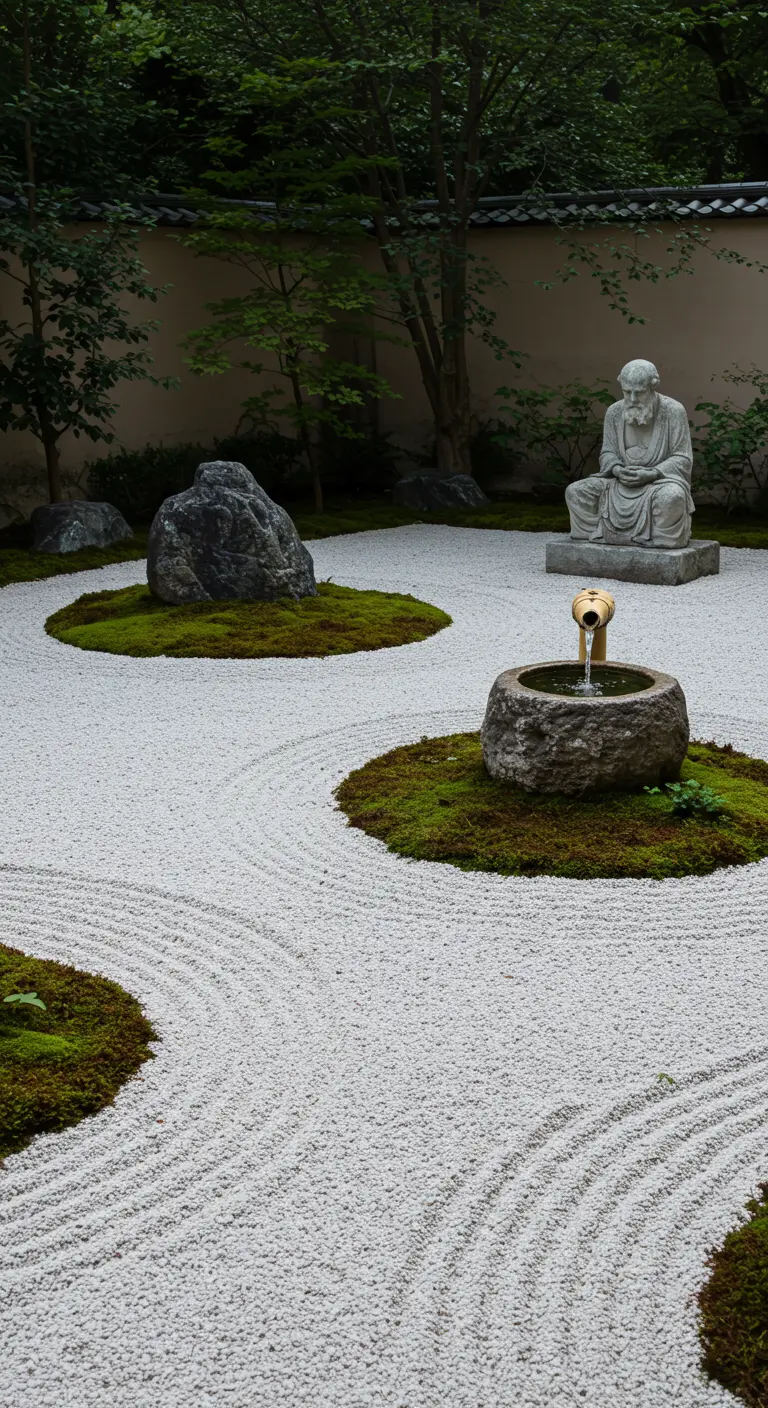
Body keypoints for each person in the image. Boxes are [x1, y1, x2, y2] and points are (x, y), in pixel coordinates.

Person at [565, 359, 694, 549]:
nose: (632, 399)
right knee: (575, 492)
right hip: (618, 483)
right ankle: (594, 533)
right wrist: (616, 469)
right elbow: (607, 452)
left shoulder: (673, 411)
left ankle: (660, 537)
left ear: (653, 386)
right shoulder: (614, 412)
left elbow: (683, 457)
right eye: (627, 392)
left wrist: (653, 473)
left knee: (672, 498)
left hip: (657, 484)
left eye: (639, 393)